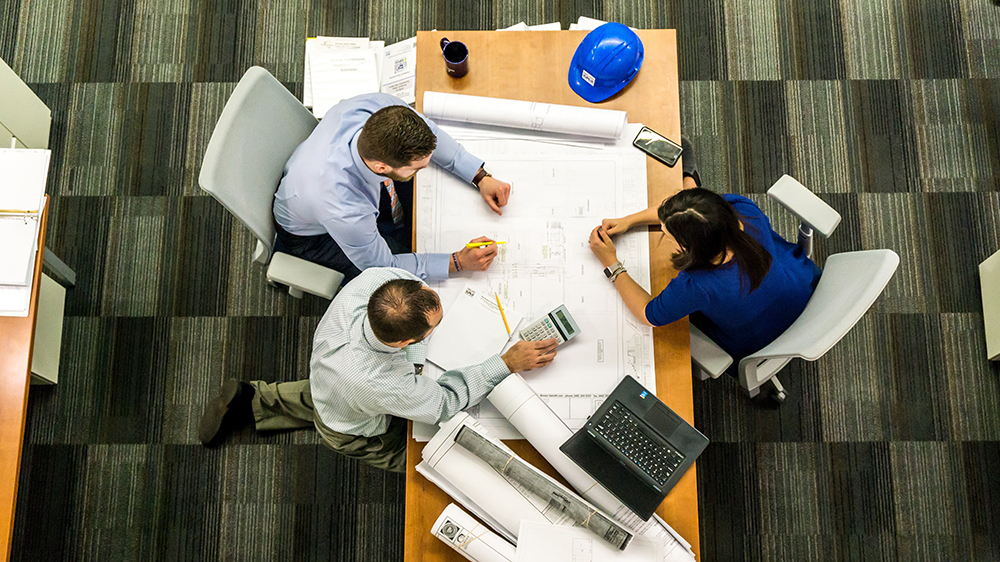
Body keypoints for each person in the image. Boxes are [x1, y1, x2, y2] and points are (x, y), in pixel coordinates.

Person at [198, 267, 558, 473]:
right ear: (403, 343)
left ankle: (253, 399)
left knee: (326, 394)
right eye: (432, 328)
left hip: (330, 375)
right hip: (352, 426)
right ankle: (429, 467)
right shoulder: (381, 383)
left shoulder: (376, 282)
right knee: (422, 458)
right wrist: (505, 362)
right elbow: (444, 403)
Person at [588, 151, 820, 375]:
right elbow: (684, 214)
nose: (663, 233)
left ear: (690, 248)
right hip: (801, 287)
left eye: (668, 236)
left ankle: (689, 177)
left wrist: (611, 263)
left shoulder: (697, 285)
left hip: (760, 339)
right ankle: (690, 179)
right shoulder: (742, 210)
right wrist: (629, 221)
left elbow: (648, 314)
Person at [273, 93, 512, 283]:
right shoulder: (344, 208)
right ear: (381, 167)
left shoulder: (379, 107)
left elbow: (432, 133)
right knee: (403, 286)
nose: (426, 167)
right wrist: (457, 262)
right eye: (417, 167)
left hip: (315, 178)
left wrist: (479, 176)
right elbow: (384, 267)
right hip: (313, 236)